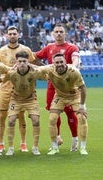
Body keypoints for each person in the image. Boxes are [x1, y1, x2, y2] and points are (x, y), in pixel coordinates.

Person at [0, 25, 39, 153]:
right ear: (6, 35)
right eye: (10, 34)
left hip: (22, 89)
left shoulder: (26, 50)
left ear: (18, 34)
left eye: (14, 33)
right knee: (2, 116)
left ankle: (23, 143)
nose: (12, 36)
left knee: (21, 115)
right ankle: (1, 143)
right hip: (5, 88)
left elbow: (33, 67)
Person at [35, 23, 80, 151]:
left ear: (65, 33)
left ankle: (75, 140)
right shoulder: (49, 47)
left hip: (68, 86)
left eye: (61, 31)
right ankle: (57, 138)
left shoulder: (71, 47)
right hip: (52, 85)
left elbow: (75, 60)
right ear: (53, 34)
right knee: (53, 113)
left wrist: (73, 66)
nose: (59, 34)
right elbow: (35, 57)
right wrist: (43, 66)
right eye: (56, 31)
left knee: (70, 113)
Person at [38, 53, 88, 155]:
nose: (59, 64)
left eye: (61, 62)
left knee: (82, 118)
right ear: (53, 63)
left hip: (75, 96)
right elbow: (36, 69)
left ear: (65, 62)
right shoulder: (50, 69)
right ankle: (54, 147)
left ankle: (83, 147)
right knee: (52, 119)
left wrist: (82, 106)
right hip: (60, 97)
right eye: (57, 62)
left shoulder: (74, 71)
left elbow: (83, 89)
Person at [2, 51, 46, 156]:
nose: (22, 63)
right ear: (16, 62)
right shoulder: (11, 73)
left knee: (36, 121)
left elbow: (48, 77)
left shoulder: (35, 72)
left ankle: (35, 147)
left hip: (31, 100)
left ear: (28, 62)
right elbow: (2, 80)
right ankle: (11, 148)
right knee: (11, 121)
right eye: (20, 61)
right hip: (16, 100)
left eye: (24, 61)